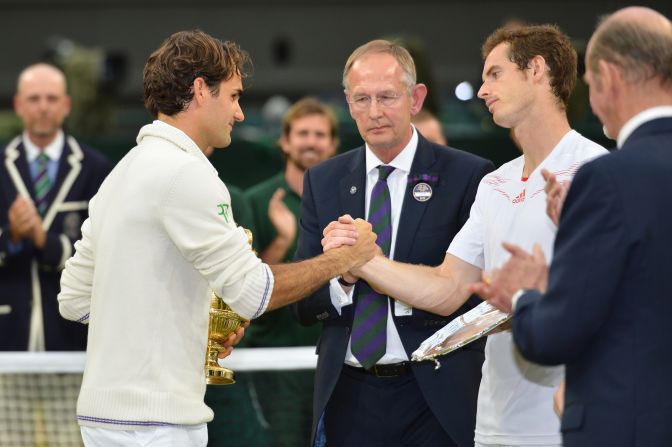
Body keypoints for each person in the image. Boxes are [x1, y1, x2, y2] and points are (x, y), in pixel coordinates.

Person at [56, 30, 377, 447]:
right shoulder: (188, 173)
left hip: (104, 421)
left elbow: (75, 300)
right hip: (158, 425)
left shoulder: (121, 172)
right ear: (200, 90)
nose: (240, 113)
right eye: (234, 96)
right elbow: (252, 292)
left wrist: (195, 326)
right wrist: (344, 259)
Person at [323, 25, 608, 447]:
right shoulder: (495, 183)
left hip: (576, 417)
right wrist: (362, 258)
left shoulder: (597, 170)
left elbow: (617, 296)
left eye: (494, 74)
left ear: (536, 70)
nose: (481, 90)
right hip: (494, 422)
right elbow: (448, 287)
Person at [471, 7, 672, 447]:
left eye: (589, 85)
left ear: (609, 78)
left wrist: (526, 293)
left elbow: (554, 336)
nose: (591, 100)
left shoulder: (606, 176)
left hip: (628, 423)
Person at [293, 39, 493, 447]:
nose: (374, 112)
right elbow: (303, 301)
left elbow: (477, 297)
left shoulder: (467, 176)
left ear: (415, 97)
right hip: (348, 394)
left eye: (386, 97)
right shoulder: (323, 181)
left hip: (435, 394)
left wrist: (371, 264)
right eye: (362, 98)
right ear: (348, 103)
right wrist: (342, 278)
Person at [244, 97, 338, 446]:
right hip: (273, 362)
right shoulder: (255, 201)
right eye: (302, 133)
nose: (311, 141)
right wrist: (282, 241)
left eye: (319, 134)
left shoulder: (349, 202)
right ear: (284, 141)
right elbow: (243, 288)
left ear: (332, 144)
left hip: (334, 360)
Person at [0, 63, 111, 351]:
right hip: (9, 338)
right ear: (19, 105)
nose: (43, 107)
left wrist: (44, 240)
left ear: (66, 105)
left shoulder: (95, 168)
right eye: (34, 99)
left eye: (51, 99)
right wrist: (11, 235)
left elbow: (106, 252)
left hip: (70, 340)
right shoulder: (1, 166)